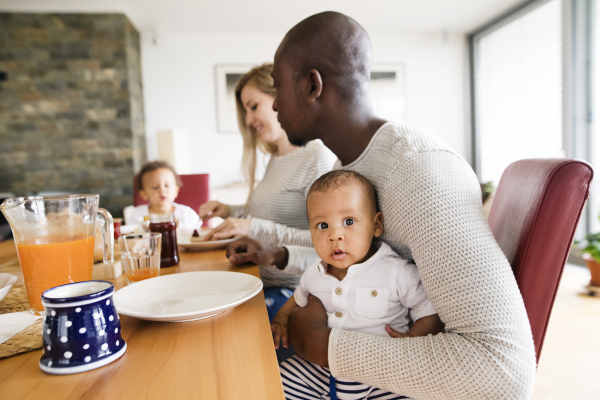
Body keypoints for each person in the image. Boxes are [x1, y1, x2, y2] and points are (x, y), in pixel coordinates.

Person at [225, 11, 537, 399]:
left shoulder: (417, 172)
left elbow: (503, 372)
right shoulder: (351, 165)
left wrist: (323, 346)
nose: (273, 108)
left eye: (279, 87)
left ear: (311, 85)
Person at [272, 171, 443, 400]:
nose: (335, 235)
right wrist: (281, 319)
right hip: (323, 373)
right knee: (277, 380)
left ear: (376, 226)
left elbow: (428, 311)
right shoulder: (316, 272)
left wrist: (413, 341)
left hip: (382, 376)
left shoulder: (395, 271)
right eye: (322, 225)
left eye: (349, 222)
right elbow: (299, 297)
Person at [198, 63, 336, 320]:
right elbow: (267, 214)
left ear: (279, 98)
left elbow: (327, 240)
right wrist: (230, 211)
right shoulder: (276, 158)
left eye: (253, 106)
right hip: (258, 279)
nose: (248, 120)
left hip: (294, 293)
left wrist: (250, 227)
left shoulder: (316, 156)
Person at [127, 160, 200, 230]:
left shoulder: (187, 214)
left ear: (176, 191)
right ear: (144, 194)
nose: (162, 190)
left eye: (167, 185)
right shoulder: (138, 215)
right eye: (155, 187)